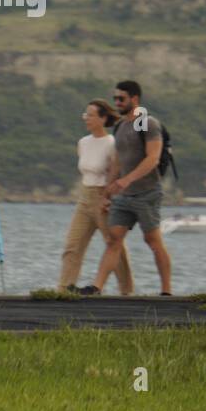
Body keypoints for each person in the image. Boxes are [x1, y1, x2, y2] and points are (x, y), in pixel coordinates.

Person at [80, 79, 172, 296]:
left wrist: (127, 180)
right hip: (124, 195)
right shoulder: (121, 126)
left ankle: (167, 291)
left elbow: (153, 159)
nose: (117, 103)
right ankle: (96, 287)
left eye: (121, 98)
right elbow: (118, 162)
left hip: (147, 193)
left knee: (152, 240)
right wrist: (108, 192)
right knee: (113, 239)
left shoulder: (147, 124)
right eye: (115, 99)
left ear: (135, 99)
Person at [59, 100, 134, 295]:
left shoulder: (112, 143)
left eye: (91, 115)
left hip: (105, 198)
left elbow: (117, 172)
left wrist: (109, 197)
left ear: (103, 118)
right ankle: (63, 290)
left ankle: (127, 291)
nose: (86, 118)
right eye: (86, 115)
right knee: (72, 246)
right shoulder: (83, 143)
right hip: (85, 197)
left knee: (114, 245)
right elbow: (86, 172)